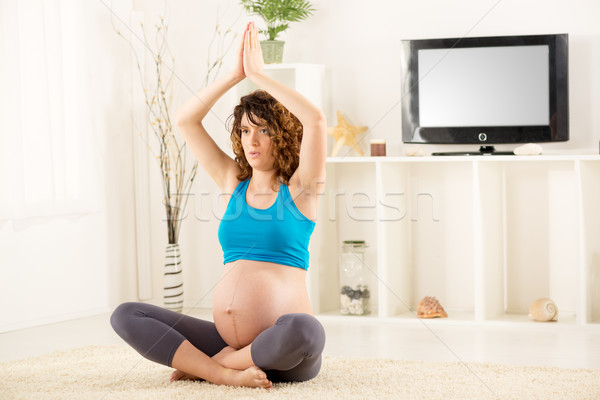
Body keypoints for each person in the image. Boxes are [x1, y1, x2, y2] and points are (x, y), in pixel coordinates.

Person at [110, 21, 327, 389]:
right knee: (127, 314)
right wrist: (233, 75)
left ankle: (213, 365)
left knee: (306, 330)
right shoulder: (232, 184)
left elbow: (316, 120)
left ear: (283, 136)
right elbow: (185, 119)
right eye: (244, 130)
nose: (251, 140)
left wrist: (260, 74)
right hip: (228, 339)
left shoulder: (302, 190)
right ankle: (222, 373)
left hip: (284, 352)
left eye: (262, 130)